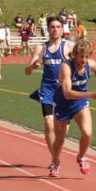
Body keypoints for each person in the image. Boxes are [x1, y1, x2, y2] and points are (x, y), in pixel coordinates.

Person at [50, 39, 96, 177]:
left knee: (87, 133)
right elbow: (67, 93)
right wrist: (91, 94)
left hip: (80, 102)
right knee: (60, 139)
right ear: (74, 55)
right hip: (63, 102)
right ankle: (55, 161)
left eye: (86, 56)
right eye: (81, 56)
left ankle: (81, 157)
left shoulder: (90, 64)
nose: (84, 60)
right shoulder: (66, 67)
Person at [25, 15, 75, 175]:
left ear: (62, 29)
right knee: (48, 122)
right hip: (46, 89)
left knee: (62, 131)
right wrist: (34, 65)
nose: (55, 29)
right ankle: (55, 160)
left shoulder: (69, 47)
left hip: (64, 90)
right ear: (48, 29)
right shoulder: (41, 48)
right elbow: (27, 72)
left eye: (58, 27)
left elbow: (81, 65)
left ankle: (56, 156)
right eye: (52, 27)